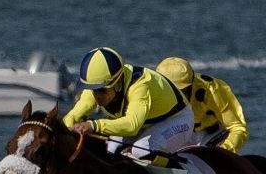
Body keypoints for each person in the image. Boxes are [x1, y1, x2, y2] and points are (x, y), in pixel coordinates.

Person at [61, 47, 194, 164]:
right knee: (109, 152)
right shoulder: (96, 88)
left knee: (141, 151)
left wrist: (93, 125)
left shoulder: (140, 85)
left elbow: (132, 125)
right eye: (92, 88)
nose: (97, 95)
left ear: (118, 82)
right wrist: (66, 128)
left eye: (101, 89)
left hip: (177, 119)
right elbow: (73, 115)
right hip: (145, 123)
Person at [156, 57, 250, 153]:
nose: (176, 95)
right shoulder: (151, 92)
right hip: (177, 136)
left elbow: (238, 127)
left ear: (192, 83)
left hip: (213, 137)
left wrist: (224, 150)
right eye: (169, 90)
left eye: (182, 91)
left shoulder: (213, 90)